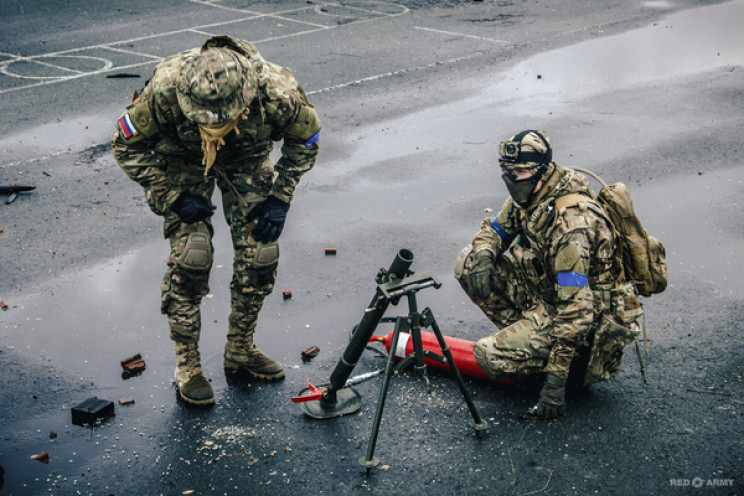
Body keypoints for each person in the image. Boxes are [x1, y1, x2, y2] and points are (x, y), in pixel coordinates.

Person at [111, 35, 321, 406]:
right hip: (182, 159)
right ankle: (188, 366)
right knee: (193, 255)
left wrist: (280, 197)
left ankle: (240, 347)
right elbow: (125, 144)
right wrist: (172, 195)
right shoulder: (166, 90)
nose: (214, 123)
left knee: (261, 252)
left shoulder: (277, 92)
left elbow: (306, 139)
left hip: (246, 156)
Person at [454, 130, 642, 419]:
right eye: (506, 170)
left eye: (519, 171)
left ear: (541, 170)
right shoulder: (532, 194)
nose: (511, 178)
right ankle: (532, 345)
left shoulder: (570, 225)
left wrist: (555, 385)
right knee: (467, 262)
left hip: (583, 320)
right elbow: (494, 230)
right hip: (549, 295)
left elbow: (577, 312)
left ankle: (569, 368)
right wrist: (484, 254)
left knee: (489, 356)